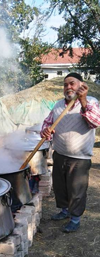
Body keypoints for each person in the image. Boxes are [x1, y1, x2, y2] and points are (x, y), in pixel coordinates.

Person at [41, 72, 100, 233]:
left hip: (79, 157)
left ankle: (75, 218)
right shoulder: (58, 105)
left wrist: (82, 101)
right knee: (60, 187)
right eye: (65, 84)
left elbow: (95, 122)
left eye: (72, 83)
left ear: (80, 85)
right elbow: (47, 124)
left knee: (76, 190)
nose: (68, 87)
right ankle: (64, 211)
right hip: (59, 154)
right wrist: (46, 131)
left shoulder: (91, 102)